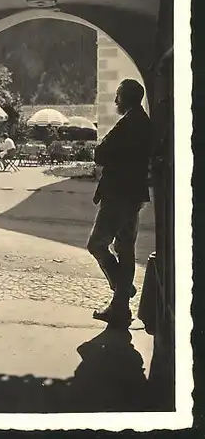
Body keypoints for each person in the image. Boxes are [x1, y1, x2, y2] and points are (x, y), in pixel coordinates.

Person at [87, 79, 152, 328]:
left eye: (118, 96)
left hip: (117, 195)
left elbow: (100, 153)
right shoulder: (144, 122)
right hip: (134, 195)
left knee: (97, 244)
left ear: (127, 98)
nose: (115, 100)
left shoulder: (127, 123)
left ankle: (122, 290)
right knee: (125, 249)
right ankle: (121, 307)